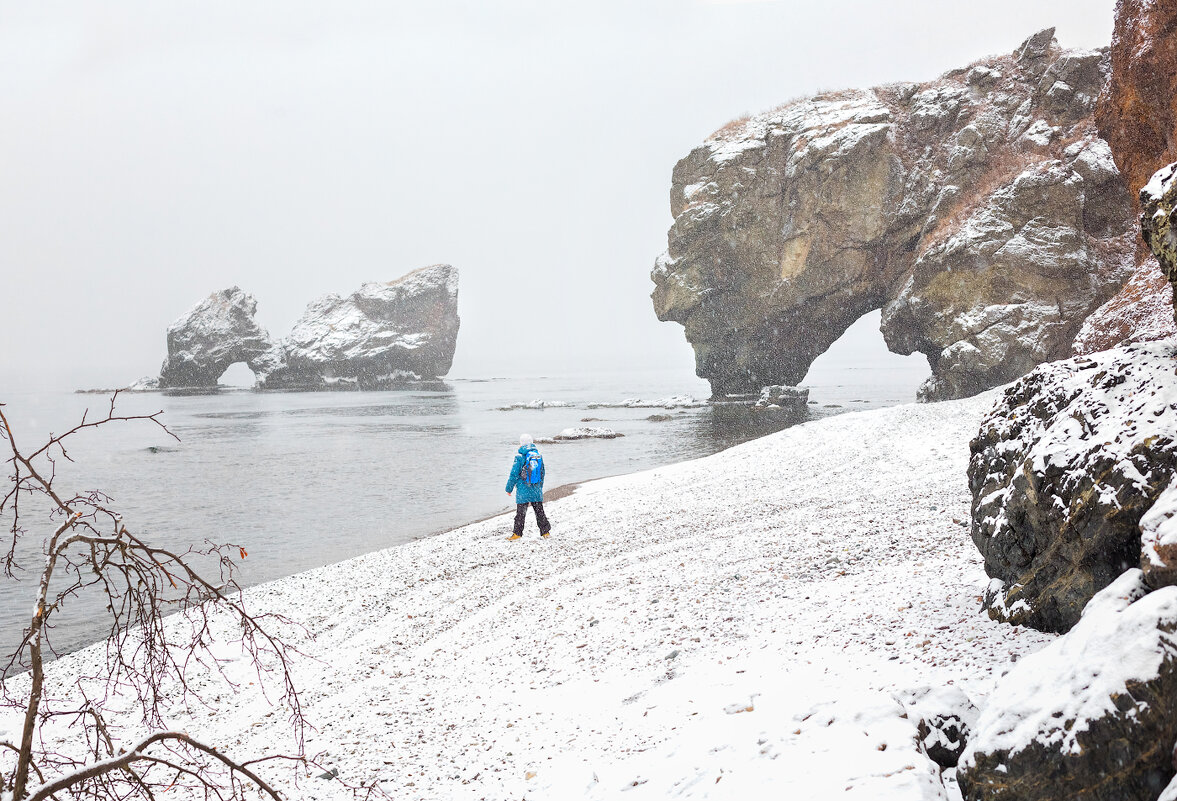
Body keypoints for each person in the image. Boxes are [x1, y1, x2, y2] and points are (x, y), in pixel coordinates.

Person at [505, 434, 552, 540]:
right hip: (536, 489)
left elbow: (514, 474)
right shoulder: (538, 456)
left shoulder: (519, 457)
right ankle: (545, 532)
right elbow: (542, 473)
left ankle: (517, 534)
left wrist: (509, 488)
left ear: (521, 443)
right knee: (539, 512)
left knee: (520, 514)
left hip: (523, 490)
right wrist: (540, 486)